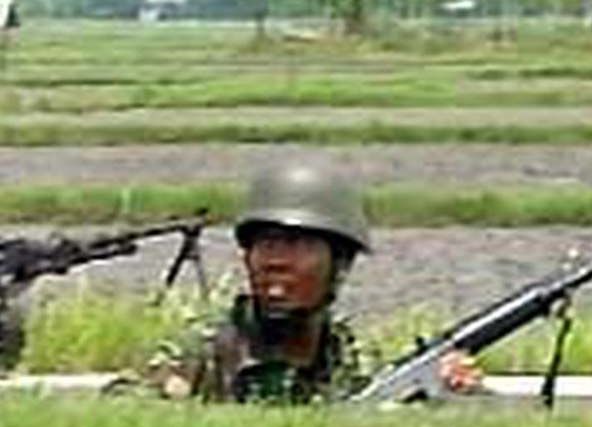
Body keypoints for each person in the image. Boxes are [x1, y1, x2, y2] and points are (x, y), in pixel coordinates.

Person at [138, 162, 481, 404]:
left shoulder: (352, 360)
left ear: (340, 265)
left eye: (300, 246)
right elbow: (126, 402)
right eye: (267, 244)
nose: (277, 262)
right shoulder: (205, 350)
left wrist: (452, 391)